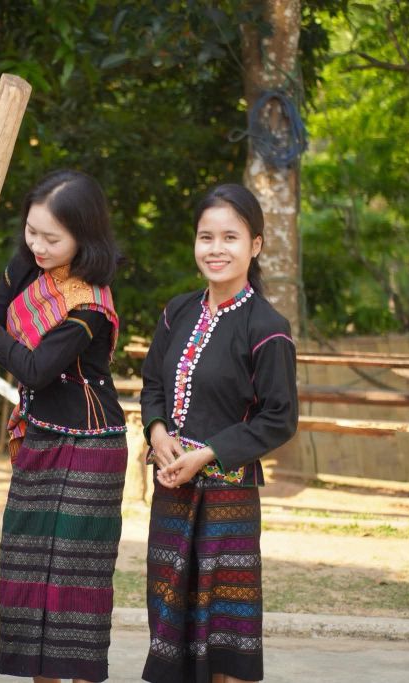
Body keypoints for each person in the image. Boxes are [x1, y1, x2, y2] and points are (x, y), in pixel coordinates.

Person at [0, 170, 127, 683]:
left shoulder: (90, 301)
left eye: (52, 238)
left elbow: (35, 368)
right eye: (32, 231)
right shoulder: (27, 265)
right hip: (42, 434)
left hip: (92, 446)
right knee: (28, 564)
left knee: (74, 576)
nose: (38, 246)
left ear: (83, 238)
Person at [139, 183, 298, 683]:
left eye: (230, 237)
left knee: (224, 625)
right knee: (169, 613)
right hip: (171, 490)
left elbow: (279, 417)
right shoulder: (177, 311)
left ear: (255, 245)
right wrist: (158, 431)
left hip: (228, 500)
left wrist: (208, 454)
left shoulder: (268, 327)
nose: (216, 249)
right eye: (206, 237)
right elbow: (152, 383)